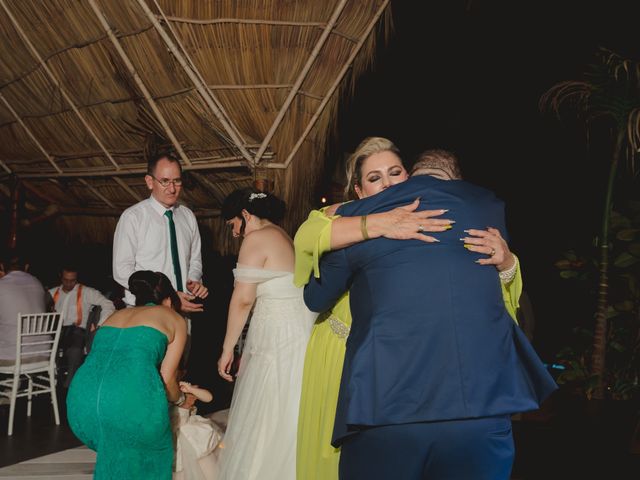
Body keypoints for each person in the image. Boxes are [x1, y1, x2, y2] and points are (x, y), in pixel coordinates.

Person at [303, 150, 558, 480]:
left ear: (411, 175)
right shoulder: (487, 207)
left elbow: (315, 296)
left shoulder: (355, 217)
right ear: (456, 180)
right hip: (481, 411)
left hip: (387, 408)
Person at [216, 188, 315, 480]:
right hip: (298, 330)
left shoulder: (256, 239)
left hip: (278, 336)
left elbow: (243, 299)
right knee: (289, 407)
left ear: (245, 215)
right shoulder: (282, 234)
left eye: (233, 225)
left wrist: (226, 349)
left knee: (270, 410)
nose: (234, 233)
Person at [66, 271, 187, 480]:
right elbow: (167, 378)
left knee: (118, 450)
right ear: (168, 299)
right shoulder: (174, 318)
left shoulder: (115, 315)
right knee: (154, 454)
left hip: (81, 404)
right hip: (126, 403)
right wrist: (182, 400)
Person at [113, 152, 208, 312]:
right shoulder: (133, 217)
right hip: (146, 309)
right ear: (150, 182)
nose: (172, 189)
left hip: (184, 307)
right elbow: (122, 270)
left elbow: (195, 260)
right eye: (165, 181)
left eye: (177, 181)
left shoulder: (188, 216)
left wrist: (194, 281)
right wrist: (166, 296)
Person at [49, 264, 115, 387]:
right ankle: (52, 379)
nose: (69, 283)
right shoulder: (52, 293)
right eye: (66, 280)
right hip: (56, 331)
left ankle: (69, 383)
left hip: (76, 330)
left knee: (75, 348)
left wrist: (100, 324)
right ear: (60, 277)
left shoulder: (86, 292)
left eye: (72, 280)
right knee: (47, 344)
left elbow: (108, 304)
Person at [0, 252, 50, 365]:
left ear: (2, 266)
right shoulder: (38, 283)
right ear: (26, 267)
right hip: (43, 353)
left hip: (12, 357)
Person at [172, 380, 223, 480]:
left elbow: (209, 398)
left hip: (193, 430)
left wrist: (191, 389)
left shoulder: (183, 387)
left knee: (205, 462)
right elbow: (175, 422)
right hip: (178, 434)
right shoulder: (165, 394)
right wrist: (185, 406)